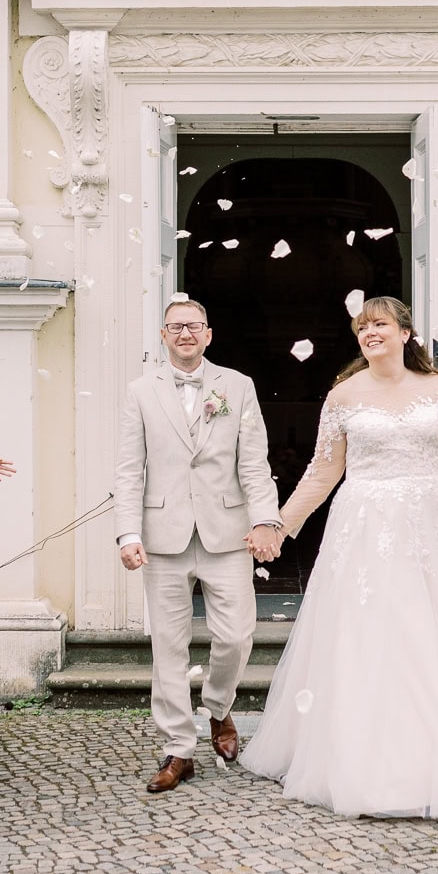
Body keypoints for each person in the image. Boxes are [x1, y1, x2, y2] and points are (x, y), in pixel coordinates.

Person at [240, 297, 438, 819]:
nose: (370, 333)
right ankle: (371, 762)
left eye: (380, 324)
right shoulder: (343, 396)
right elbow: (323, 473)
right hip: (366, 525)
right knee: (372, 633)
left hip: (435, 524)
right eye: (362, 327)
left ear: (406, 333)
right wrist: (279, 524)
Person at [114, 297, 282, 793]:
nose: (185, 333)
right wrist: (128, 532)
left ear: (209, 334)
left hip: (226, 532)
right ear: (163, 336)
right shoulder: (140, 392)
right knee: (168, 647)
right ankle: (178, 751)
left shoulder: (238, 386)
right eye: (175, 326)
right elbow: (128, 471)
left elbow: (254, 461)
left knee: (236, 635)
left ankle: (218, 707)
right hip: (162, 535)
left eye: (194, 326)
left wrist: (266, 520)